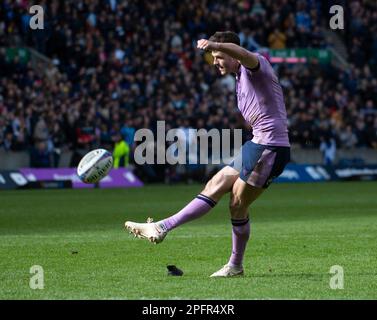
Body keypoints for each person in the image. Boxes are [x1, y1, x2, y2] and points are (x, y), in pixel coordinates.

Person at [125, 31, 290, 277]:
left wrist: (213, 44)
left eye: (220, 56)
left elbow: (245, 54)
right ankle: (162, 227)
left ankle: (235, 265)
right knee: (216, 183)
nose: (215, 62)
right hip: (257, 143)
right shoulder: (238, 78)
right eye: (214, 57)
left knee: (237, 205)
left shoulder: (256, 65)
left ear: (233, 53)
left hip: (270, 148)